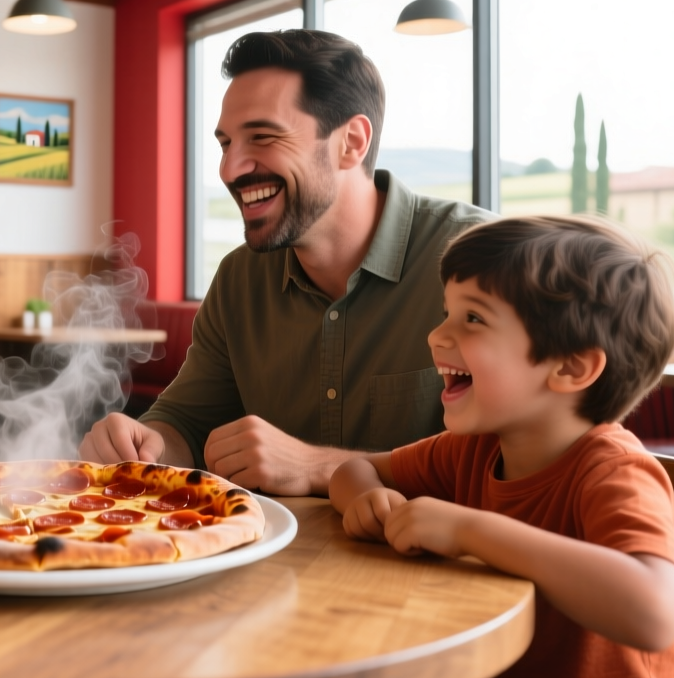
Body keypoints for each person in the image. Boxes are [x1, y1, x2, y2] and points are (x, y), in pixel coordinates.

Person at [80, 29, 490, 495]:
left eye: (263, 137)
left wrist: (318, 466)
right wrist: (145, 445)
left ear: (351, 142)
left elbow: (527, 461)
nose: (230, 169)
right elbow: (186, 423)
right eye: (226, 144)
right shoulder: (238, 279)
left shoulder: (481, 259)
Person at [330, 216, 674, 678]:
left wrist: (468, 531)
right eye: (446, 313)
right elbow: (355, 471)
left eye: (473, 319)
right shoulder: (475, 449)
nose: (436, 335)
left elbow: (655, 612)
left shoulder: (614, 471)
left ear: (570, 366)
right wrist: (368, 501)